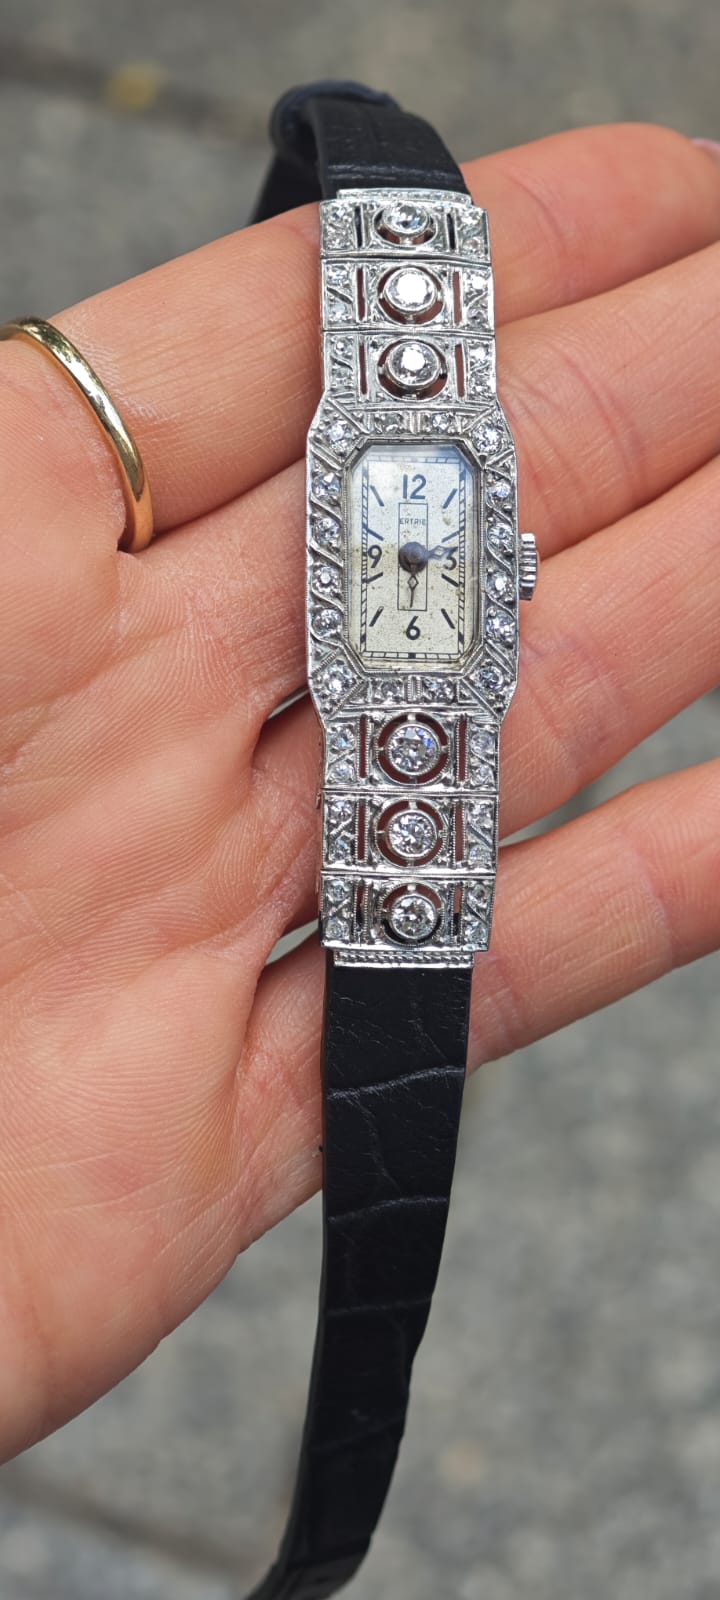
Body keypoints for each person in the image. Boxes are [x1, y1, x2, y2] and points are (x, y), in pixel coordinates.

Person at [0, 121, 718, 1465]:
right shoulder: (401, 514)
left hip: (421, 706)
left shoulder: (433, 511)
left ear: (502, 571)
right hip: (398, 704)